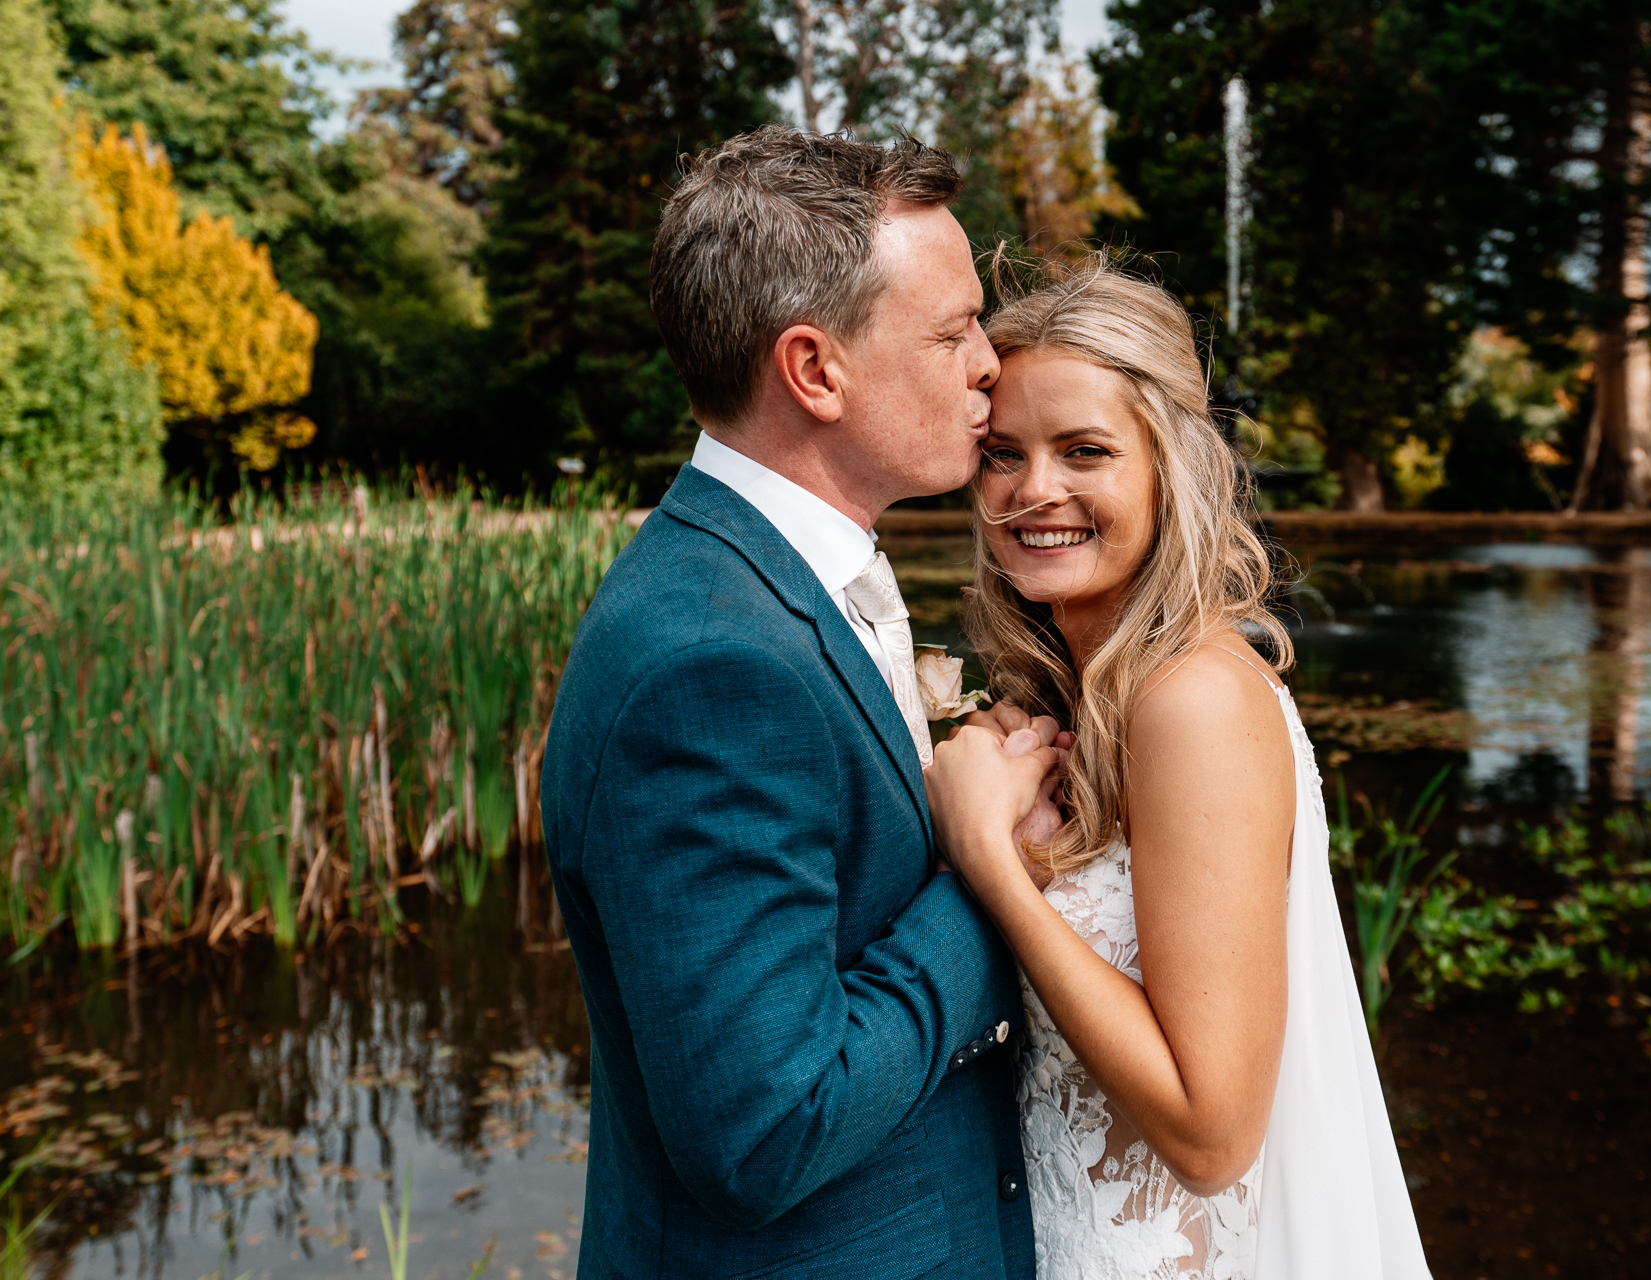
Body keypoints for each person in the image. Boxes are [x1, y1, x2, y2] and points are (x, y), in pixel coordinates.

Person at [541, 127, 1066, 1277]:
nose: (990, 362)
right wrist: (990, 871)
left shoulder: (762, 585)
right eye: (952, 331)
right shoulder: (707, 666)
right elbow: (770, 1130)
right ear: (816, 370)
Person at [925, 259, 1431, 1280]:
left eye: (1086, 450)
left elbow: (1212, 1132)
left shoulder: (1190, 699)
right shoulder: (1093, 693)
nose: (1035, 491)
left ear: (1169, 466)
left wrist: (986, 856)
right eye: (1003, 455)